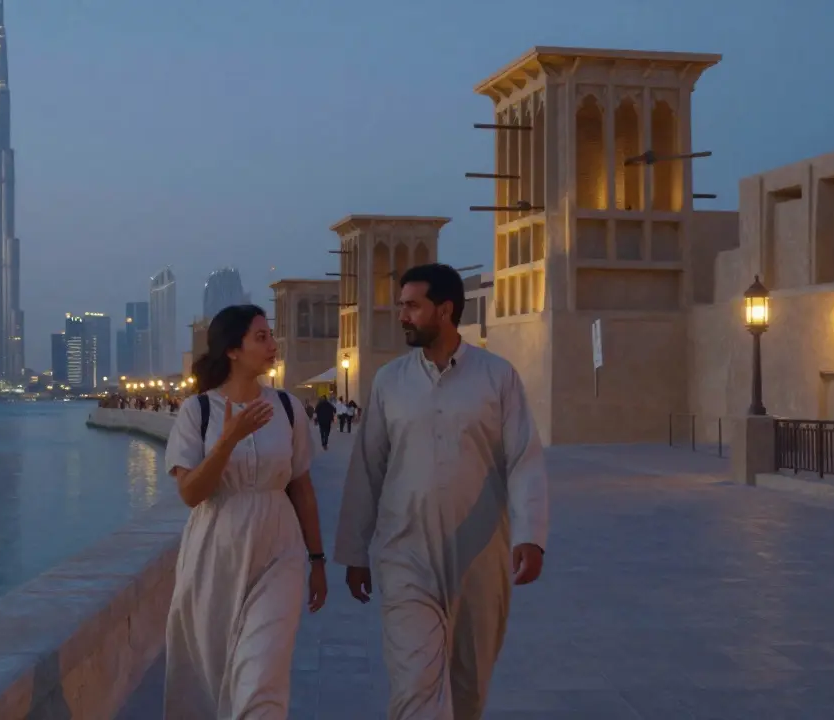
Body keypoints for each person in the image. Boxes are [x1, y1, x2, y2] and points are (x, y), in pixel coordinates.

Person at [333, 263, 549, 720]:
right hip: (405, 553)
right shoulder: (390, 381)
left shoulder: (497, 377)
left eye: (412, 306)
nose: (402, 316)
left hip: (480, 554)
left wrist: (531, 535)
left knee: (469, 687)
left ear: (445, 310)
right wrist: (354, 550)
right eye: (401, 306)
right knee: (415, 685)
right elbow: (367, 468)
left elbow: (524, 459)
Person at [163, 304, 328, 718]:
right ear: (233, 350)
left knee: (262, 677)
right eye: (261, 337)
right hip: (216, 552)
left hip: (279, 548)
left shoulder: (287, 408)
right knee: (210, 678)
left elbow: (302, 487)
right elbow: (191, 493)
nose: (273, 344)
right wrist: (228, 441)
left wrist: (317, 559)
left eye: (270, 335)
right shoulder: (197, 411)